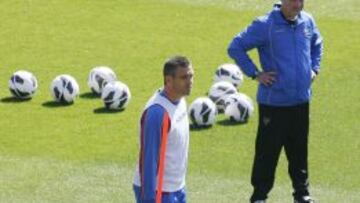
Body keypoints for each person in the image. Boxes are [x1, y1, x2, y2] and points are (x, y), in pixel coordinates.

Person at [228, 0, 323, 202]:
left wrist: (314, 69)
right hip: (274, 104)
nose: (298, 5)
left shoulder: (307, 21)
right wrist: (256, 73)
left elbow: (317, 43)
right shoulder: (265, 25)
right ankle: (259, 196)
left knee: (299, 151)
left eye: (301, 0)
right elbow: (235, 46)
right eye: (293, 1)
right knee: (267, 153)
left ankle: (302, 194)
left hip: (301, 101)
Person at [133, 56, 194, 203]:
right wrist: (150, 198)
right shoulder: (157, 114)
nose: (190, 81)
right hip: (158, 192)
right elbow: (148, 160)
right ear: (168, 80)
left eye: (191, 76)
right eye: (184, 77)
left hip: (177, 188)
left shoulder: (180, 100)